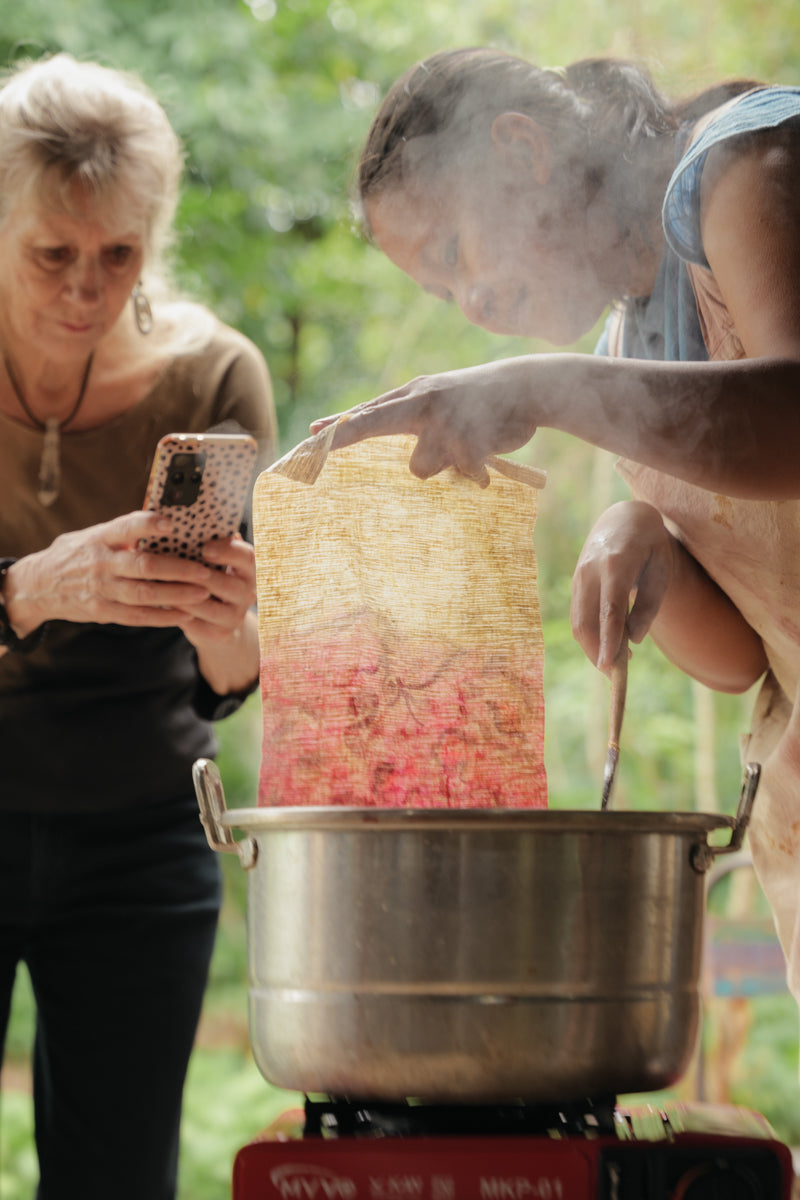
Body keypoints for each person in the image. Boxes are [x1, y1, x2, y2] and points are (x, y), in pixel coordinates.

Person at [311, 49, 800, 1032]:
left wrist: (535, 390)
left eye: (453, 253)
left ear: (520, 149)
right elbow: (740, 659)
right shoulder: (622, 351)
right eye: (442, 296)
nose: (472, 307)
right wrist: (643, 540)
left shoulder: (746, 165)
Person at [0, 54, 277, 1199]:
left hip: (143, 828)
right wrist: (28, 591)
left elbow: (235, 677)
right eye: (50, 254)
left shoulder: (212, 376)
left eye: (118, 255)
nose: (85, 288)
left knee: (117, 1178)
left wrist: (225, 636)